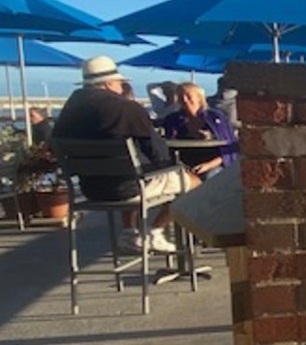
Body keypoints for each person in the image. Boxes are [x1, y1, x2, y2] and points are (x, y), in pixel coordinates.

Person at [52, 56, 201, 254]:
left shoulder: (69, 112)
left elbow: (54, 145)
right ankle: (154, 231)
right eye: (120, 82)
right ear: (109, 83)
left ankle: (129, 233)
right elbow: (160, 155)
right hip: (129, 189)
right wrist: (177, 166)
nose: (122, 86)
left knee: (127, 173)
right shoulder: (126, 108)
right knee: (192, 182)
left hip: (91, 190)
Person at [161, 82, 238, 179]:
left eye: (189, 96)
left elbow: (229, 147)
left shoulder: (215, 117)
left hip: (213, 165)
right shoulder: (173, 119)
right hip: (183, 167)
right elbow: (167, 147)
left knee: (210, 177)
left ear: (199, 98)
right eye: (181, 96)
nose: (184, 100)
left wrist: (208, 165)